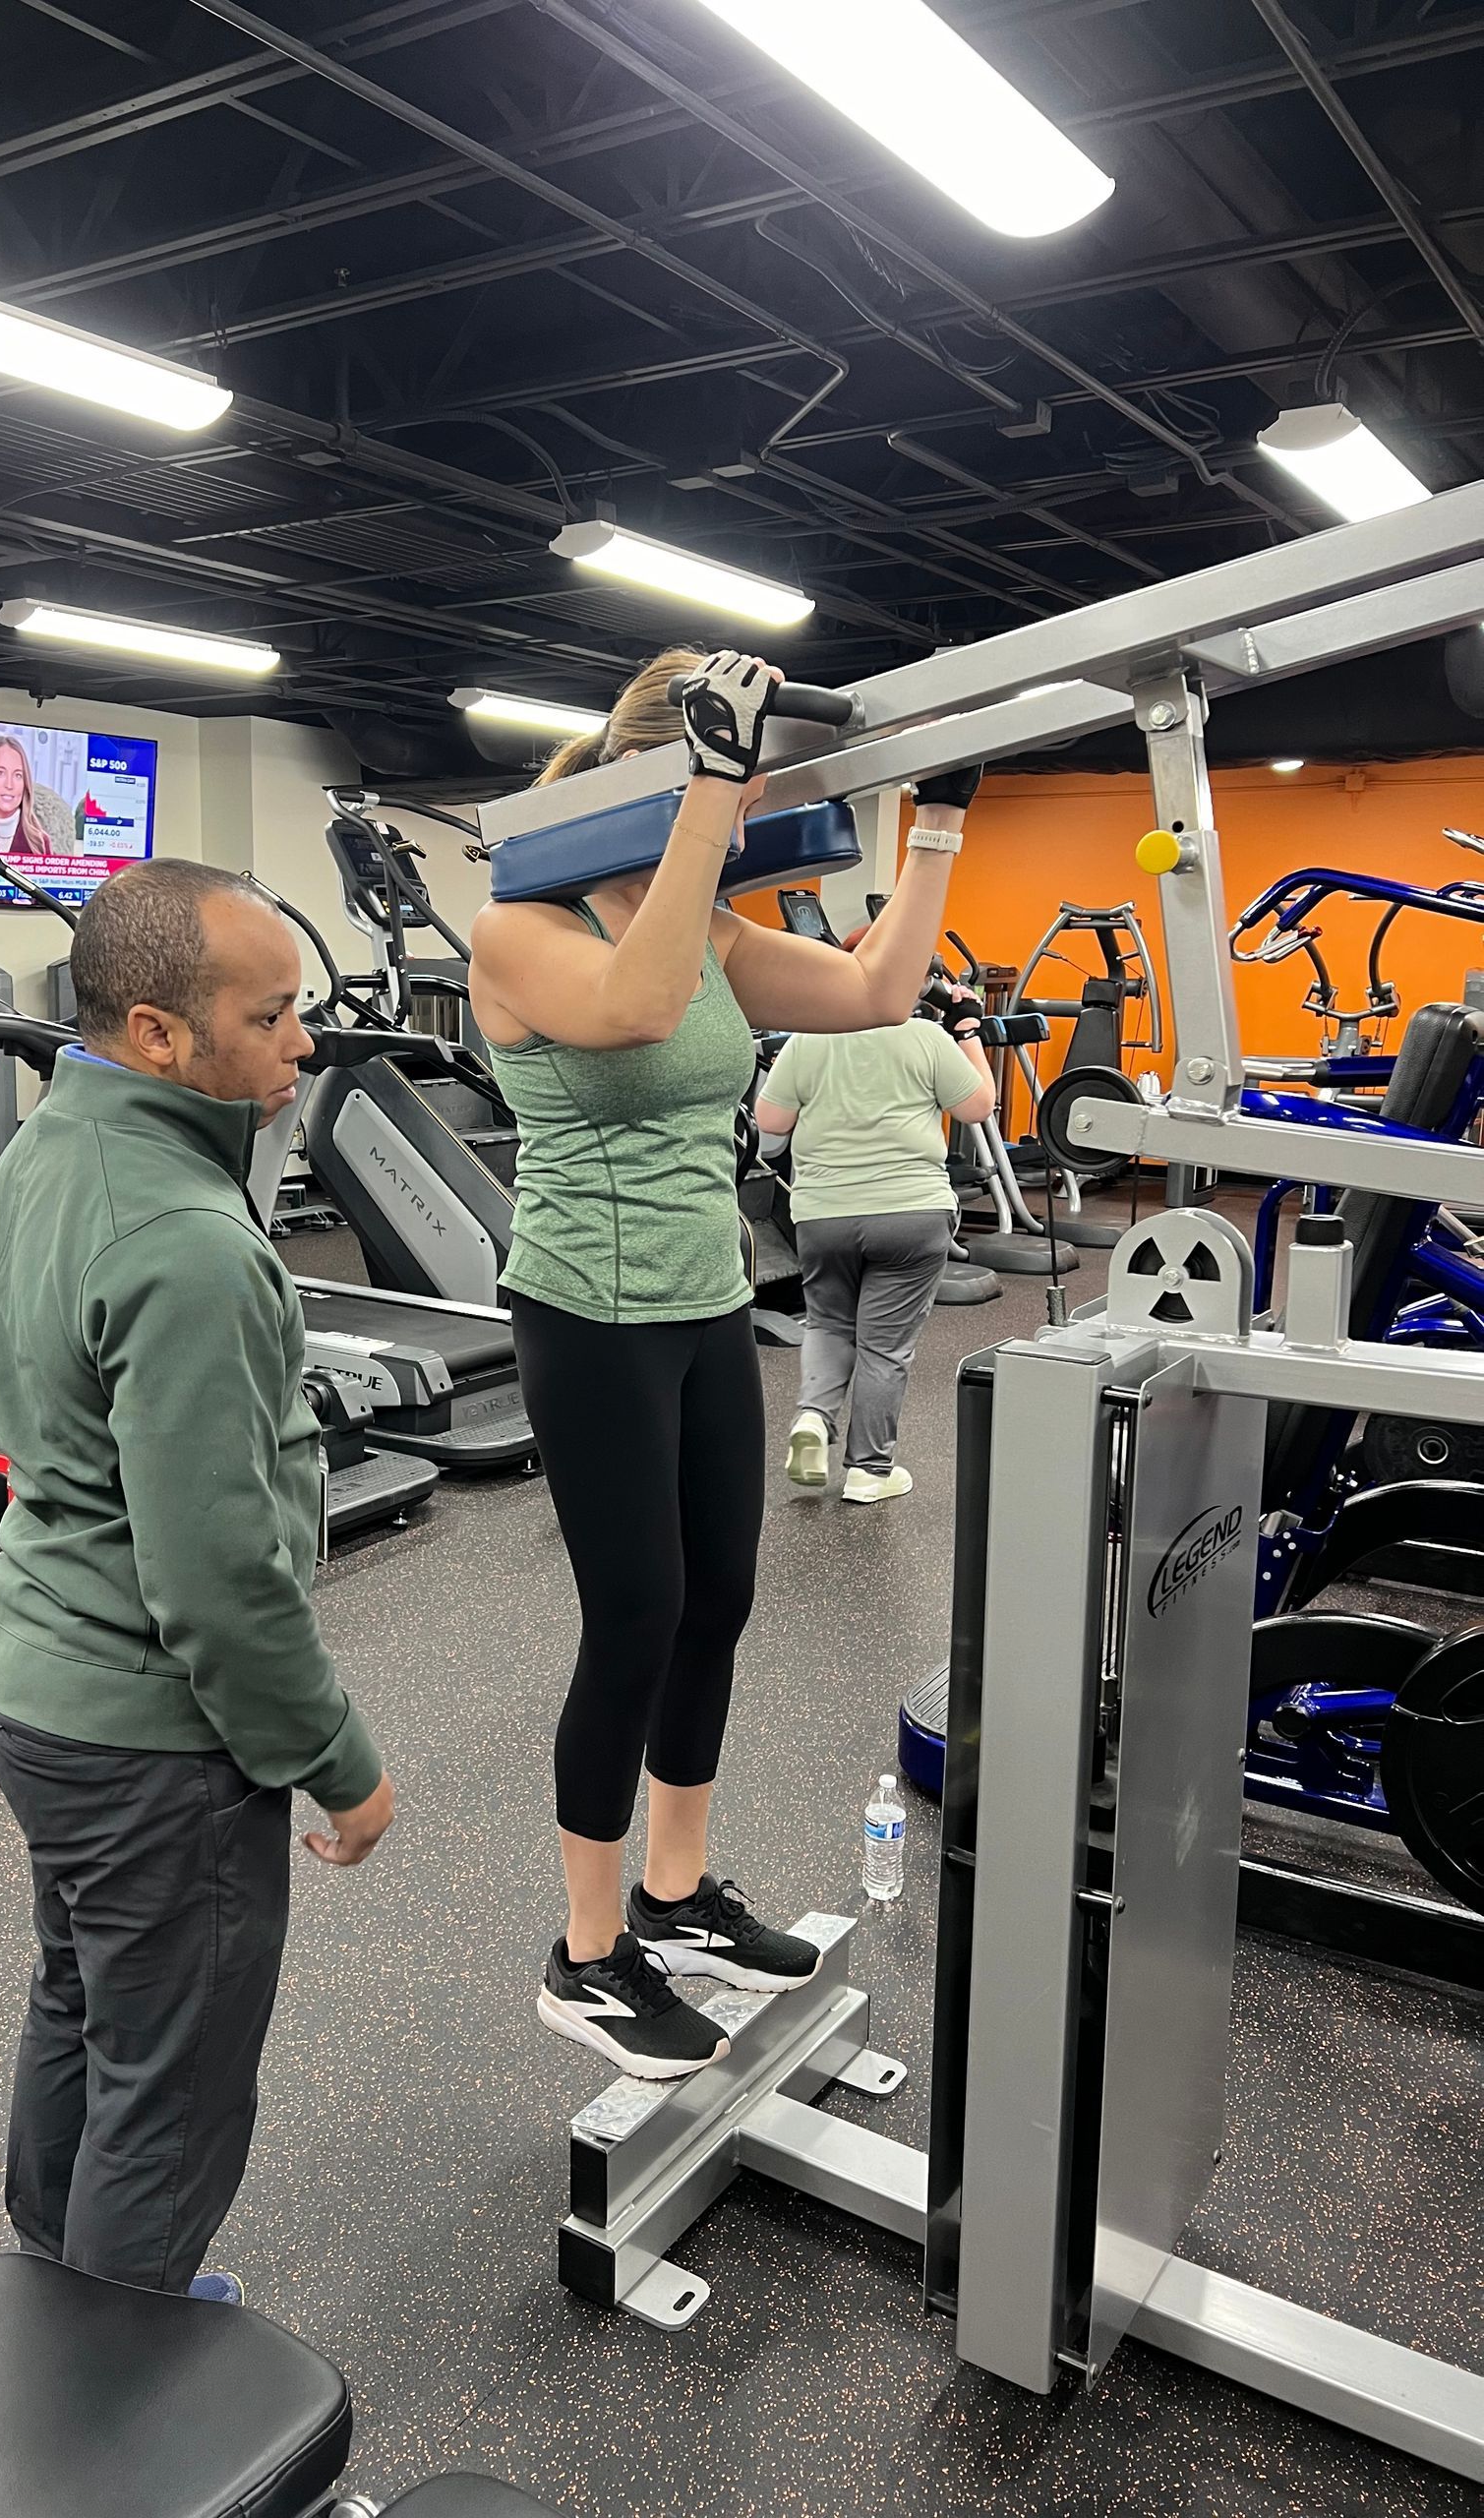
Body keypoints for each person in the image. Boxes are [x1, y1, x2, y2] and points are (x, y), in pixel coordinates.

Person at [469, 647, 979, 2079]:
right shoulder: (522, 927)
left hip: (703, 1306)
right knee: (634, 1616)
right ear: (675, 775)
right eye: (739, 788)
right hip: (584, 1310)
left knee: (720, 1601)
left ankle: (677, 1897)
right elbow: (630, 1010)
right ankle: (584, 1957)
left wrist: (937, 821)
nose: (750, 820)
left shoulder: (713, 923)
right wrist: (705, 788)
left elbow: (881, 989)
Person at [0, 859, 395, 2302]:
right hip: (148, 1741)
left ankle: (58, 2280)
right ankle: (117, 2384)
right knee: (177, 2083)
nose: (302, 1045)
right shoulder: (191, 1245)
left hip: (31, 1687)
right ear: (156, 1034)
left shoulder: (47, 1145)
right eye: (272, 1019)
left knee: (85, 1999)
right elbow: (216, 1582)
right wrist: (338, 1763)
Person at [755, 960, 998, 1504]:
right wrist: (968, 1031)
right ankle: (869, 1469)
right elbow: (979, 1105)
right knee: (884, 1347)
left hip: (823, 1216)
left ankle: (814, 1419)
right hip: (910, 1214)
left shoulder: (808, 1040)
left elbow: (770, 1122)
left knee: (829, 1323)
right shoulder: (925, 1037)